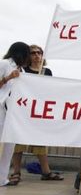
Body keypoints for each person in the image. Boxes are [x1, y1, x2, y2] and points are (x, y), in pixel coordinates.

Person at [11, 45, 64, 183]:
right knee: (18, 142)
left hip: (39, 112)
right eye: (33, 53)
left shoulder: (47, 72)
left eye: (39, 52)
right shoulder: (22, 71)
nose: (36, 55)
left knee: (40, 142)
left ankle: (46, 172)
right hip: (24, 111)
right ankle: (16, 172)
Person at [0, 42, 30, 186]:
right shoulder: (4, 64)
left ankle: (2, 178)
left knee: (9, 146)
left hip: (12, 111)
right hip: (1, 108)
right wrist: (9, 77)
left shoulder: (22, 71)